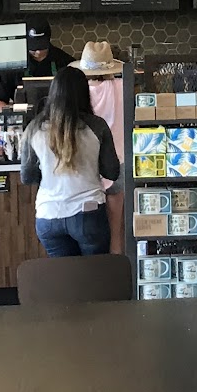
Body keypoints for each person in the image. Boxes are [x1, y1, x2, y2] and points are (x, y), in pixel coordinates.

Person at [19, 66, 120, 257]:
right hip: (88, 213)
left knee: (64, 274)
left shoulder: (34, 129)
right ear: (84, 93)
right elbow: (112, 172)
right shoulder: (96, 126)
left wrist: (49, 171)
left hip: (48, 216)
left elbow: (27, 176)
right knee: (94, 272)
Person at [78, 41, 127, 254]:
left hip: (88, 165)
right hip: (119, 162)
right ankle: (115, 270)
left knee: (89, 232)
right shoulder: (123, 87)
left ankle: (93, 270)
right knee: (116, 231)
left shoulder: (79, 94)